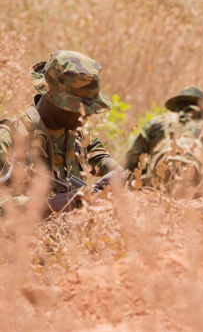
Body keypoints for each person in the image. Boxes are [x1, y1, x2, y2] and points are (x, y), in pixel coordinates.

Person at [0, 50, 124, 219]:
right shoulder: (10, 139)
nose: (87, 114)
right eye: (78, 107)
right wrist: (46, 205)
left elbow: (100, 157)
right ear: (53, 98)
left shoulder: (76, 134)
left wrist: (116, 173)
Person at [125, 86, 203, 195]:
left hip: (154, 189)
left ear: (177, 105)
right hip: (196, 195)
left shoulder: (157, 123)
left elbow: (131, 160)